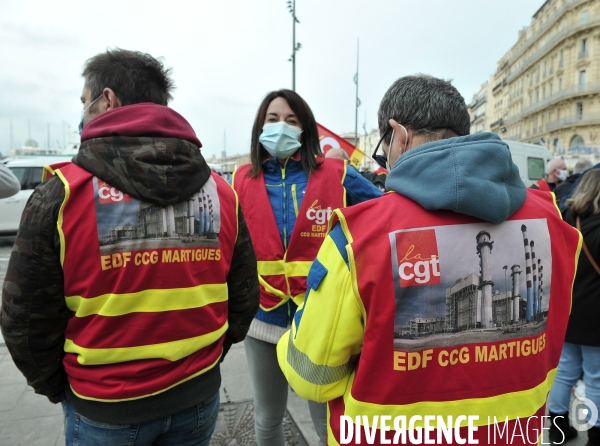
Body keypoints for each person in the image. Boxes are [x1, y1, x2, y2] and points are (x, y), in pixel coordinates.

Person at [277, 74, 581, 445]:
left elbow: (312, 375)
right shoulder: (553, 223)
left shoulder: (360, 235)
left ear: (398, 136)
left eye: (382, 150)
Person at [1, 49, 260, 446]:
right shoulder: (222, 193)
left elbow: (25, 319)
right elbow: (244, 297)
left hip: (105, 410)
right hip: (197, 398)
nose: (82, 111)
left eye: (84, 101)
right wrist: (202, 363)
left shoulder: (62, 195)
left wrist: (65, 387)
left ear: (107, 100)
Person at [231, 89, 382, 446]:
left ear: (305, 128)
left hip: (322, 320)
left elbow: (384, 214)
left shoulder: (337, 173)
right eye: (272, 119)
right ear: (259, 126)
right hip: (263, 319)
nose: (280, 126)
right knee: (267, 418)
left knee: (327, 421)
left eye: (291, 120)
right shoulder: (239, 180)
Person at [547, 169, 600, 445]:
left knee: (564, 372)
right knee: (596, 377)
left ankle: (557, 427)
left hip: (567, 310)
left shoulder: (566, 220)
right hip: (595, 317)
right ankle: (594, 432)